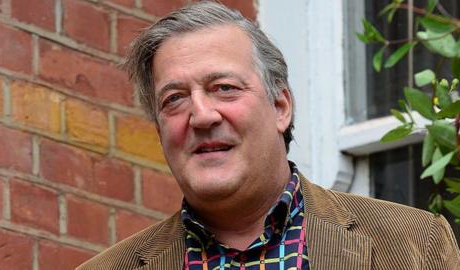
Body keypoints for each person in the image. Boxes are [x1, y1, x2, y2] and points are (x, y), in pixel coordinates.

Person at [77, 1, 460, 269]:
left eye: (224, 87)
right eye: (174, 99)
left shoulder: (413, 244)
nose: (201, 115)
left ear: (281, 107)